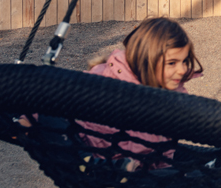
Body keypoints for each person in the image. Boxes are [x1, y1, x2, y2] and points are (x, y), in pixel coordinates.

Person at [77, 17, 204, 166]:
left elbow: (166, 147)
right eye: (172, 63)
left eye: (184, 61)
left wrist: (164, 173)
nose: (182, 70)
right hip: (102, 170)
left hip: (146, 173)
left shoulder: (173, 94)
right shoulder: (104, 85)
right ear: (147, 61)